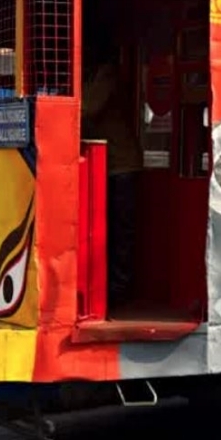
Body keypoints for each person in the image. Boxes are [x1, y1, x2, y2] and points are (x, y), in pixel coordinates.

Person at [81, 36, 144, 310]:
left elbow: (88, 108)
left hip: (122, 165)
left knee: (120, 230)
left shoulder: (106, 75)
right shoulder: (92, 77)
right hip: (107, 167)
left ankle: (119, 289)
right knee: (107, 228)